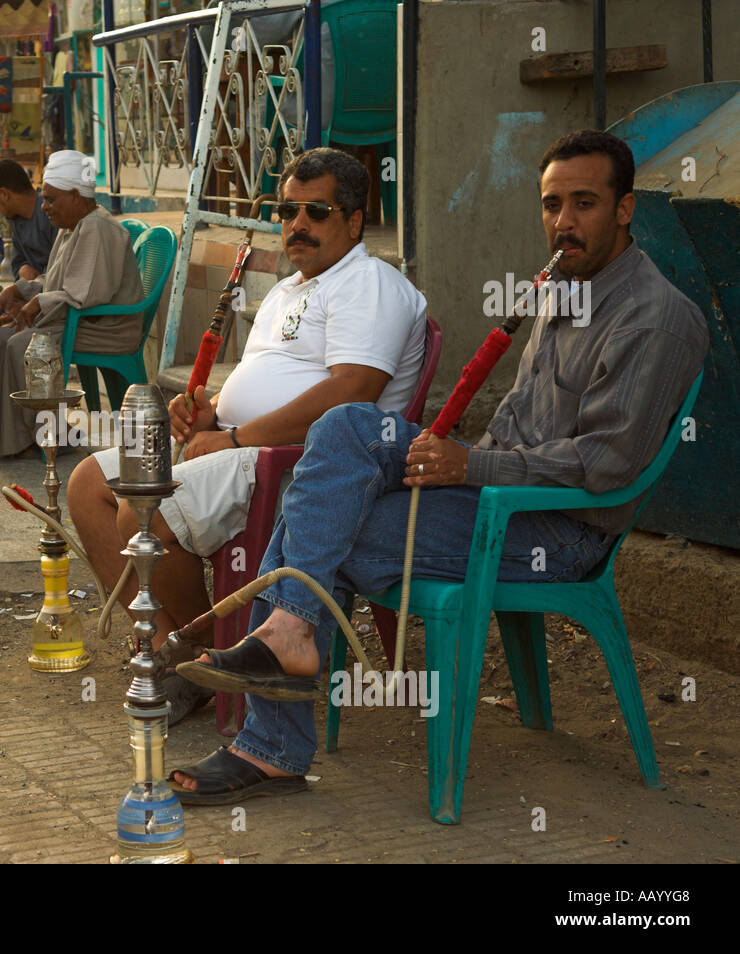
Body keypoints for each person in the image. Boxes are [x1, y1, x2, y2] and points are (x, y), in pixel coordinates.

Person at [167, 130, 709, 805]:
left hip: (555, 529)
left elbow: (604, 465)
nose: (563, 223)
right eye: (551, 205)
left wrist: (469, 464)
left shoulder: (653, 318)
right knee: (344, 431)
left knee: (321, 515)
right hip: (494, 491)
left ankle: (274, 730)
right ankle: (289, 636)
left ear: (625, 209)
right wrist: (445, 456)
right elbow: (514, 418)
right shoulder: (562, 287)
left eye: (584, 204)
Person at [67, 147, 427, 723]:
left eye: (316, 213)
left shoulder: (368, 283)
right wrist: (205, 412)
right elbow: (261, 378)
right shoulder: (289, 290)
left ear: (354, 221)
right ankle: (170, 656)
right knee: (88, 483)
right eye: (288, 212)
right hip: (242, 446)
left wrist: (234, 441)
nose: (296, 226)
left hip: (302, 466)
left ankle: (203, 656)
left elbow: (351, 394)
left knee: (148, 511)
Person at [0, 150, 145, 459]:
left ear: (75, 195)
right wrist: (20, 290)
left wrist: (37, 303)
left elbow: (84, 294)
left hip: (107, 327)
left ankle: (50, 434)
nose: (43, 207)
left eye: (50, 199)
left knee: (23, 345)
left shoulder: (97, 227)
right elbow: (56, 282)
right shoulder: (71, 227)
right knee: (1, 337)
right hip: (82, 319)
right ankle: (16, 438)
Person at [0, 159, 56, 368]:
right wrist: (23, 270)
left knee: (9, 337)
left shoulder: (51, 215)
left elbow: (61, 272)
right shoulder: (16, 221)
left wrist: (27, 287)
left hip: (52, 298)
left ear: (5, 194)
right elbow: (17, 261)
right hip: (32, 292)